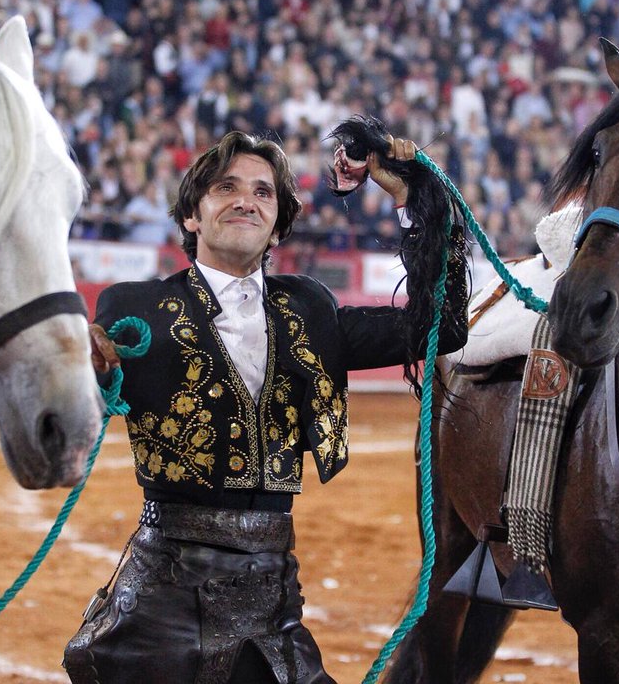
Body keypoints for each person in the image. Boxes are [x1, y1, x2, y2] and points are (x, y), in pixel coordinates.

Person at [64, 130, 468, 683]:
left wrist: (413, 203)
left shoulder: (310, 308)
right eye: (225, 187)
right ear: (192, 216)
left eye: (263, 192)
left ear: (277, 225)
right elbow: (78, 403)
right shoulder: (136, 307)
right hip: (164, 603)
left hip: (273, 602)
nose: (244, 199)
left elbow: (440, 327)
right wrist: (94, 371)